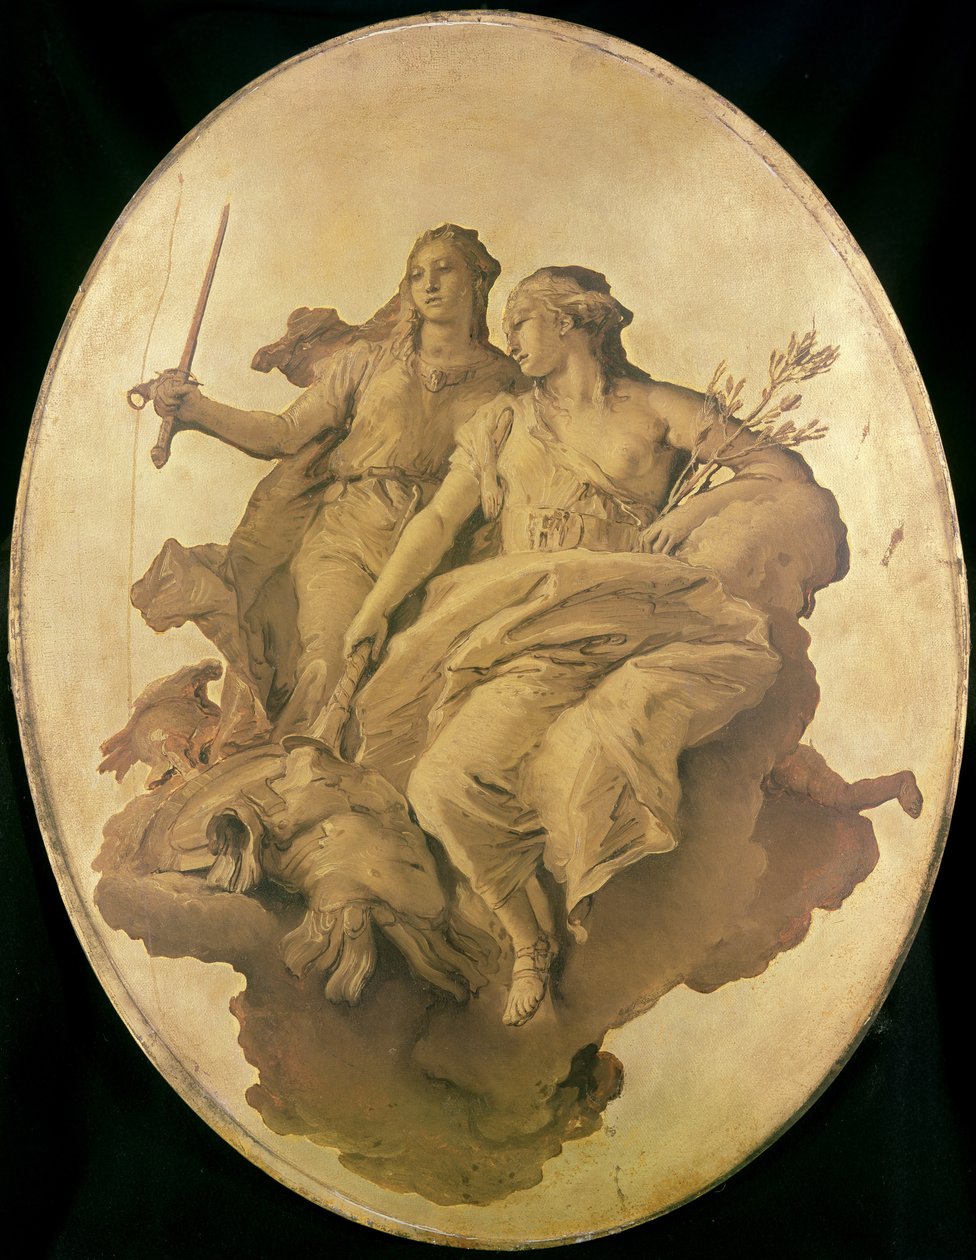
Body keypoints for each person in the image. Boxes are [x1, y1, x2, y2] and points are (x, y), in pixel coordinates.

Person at [344, 266, 809, 1027]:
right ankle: (528, 939)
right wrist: (375, 609)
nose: (510, 339)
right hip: (528, 636)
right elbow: (438, 522)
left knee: (579, 761)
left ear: (570, 322)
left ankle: (560, 932)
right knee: (439, 785)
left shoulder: (655, 408)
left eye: (522, 322)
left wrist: (690, 517)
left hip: (636, 622)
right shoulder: (502, 422)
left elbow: (780, 471)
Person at [134, 224, 521, 738]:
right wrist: (197, 408)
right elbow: (284, 433)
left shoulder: (510, 381)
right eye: (417, 274)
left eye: (444, 269)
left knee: (415, 692)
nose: (428, 284)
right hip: (347, 534)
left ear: (477, 279)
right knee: (330, 661)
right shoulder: (366, 361)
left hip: (442, 554)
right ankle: (292, 775)